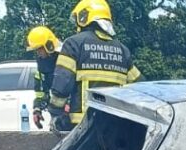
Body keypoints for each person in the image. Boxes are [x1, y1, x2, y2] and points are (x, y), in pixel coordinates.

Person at [48, 0, 141, 131]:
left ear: (83, 17)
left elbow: (62, 82)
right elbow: (139, 85)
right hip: (115, 127)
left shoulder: (73, 44)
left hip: (83, 127)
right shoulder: (123, 50)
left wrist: (55, 113)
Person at [25, 26, 61, 129]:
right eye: (36, 50)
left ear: (49, 46)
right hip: (55, 114)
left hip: (69, 114)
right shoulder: (42, 65)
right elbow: (41, 93)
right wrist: (37, 109)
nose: (38, 53)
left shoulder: (64, 60)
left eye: (40, 49)